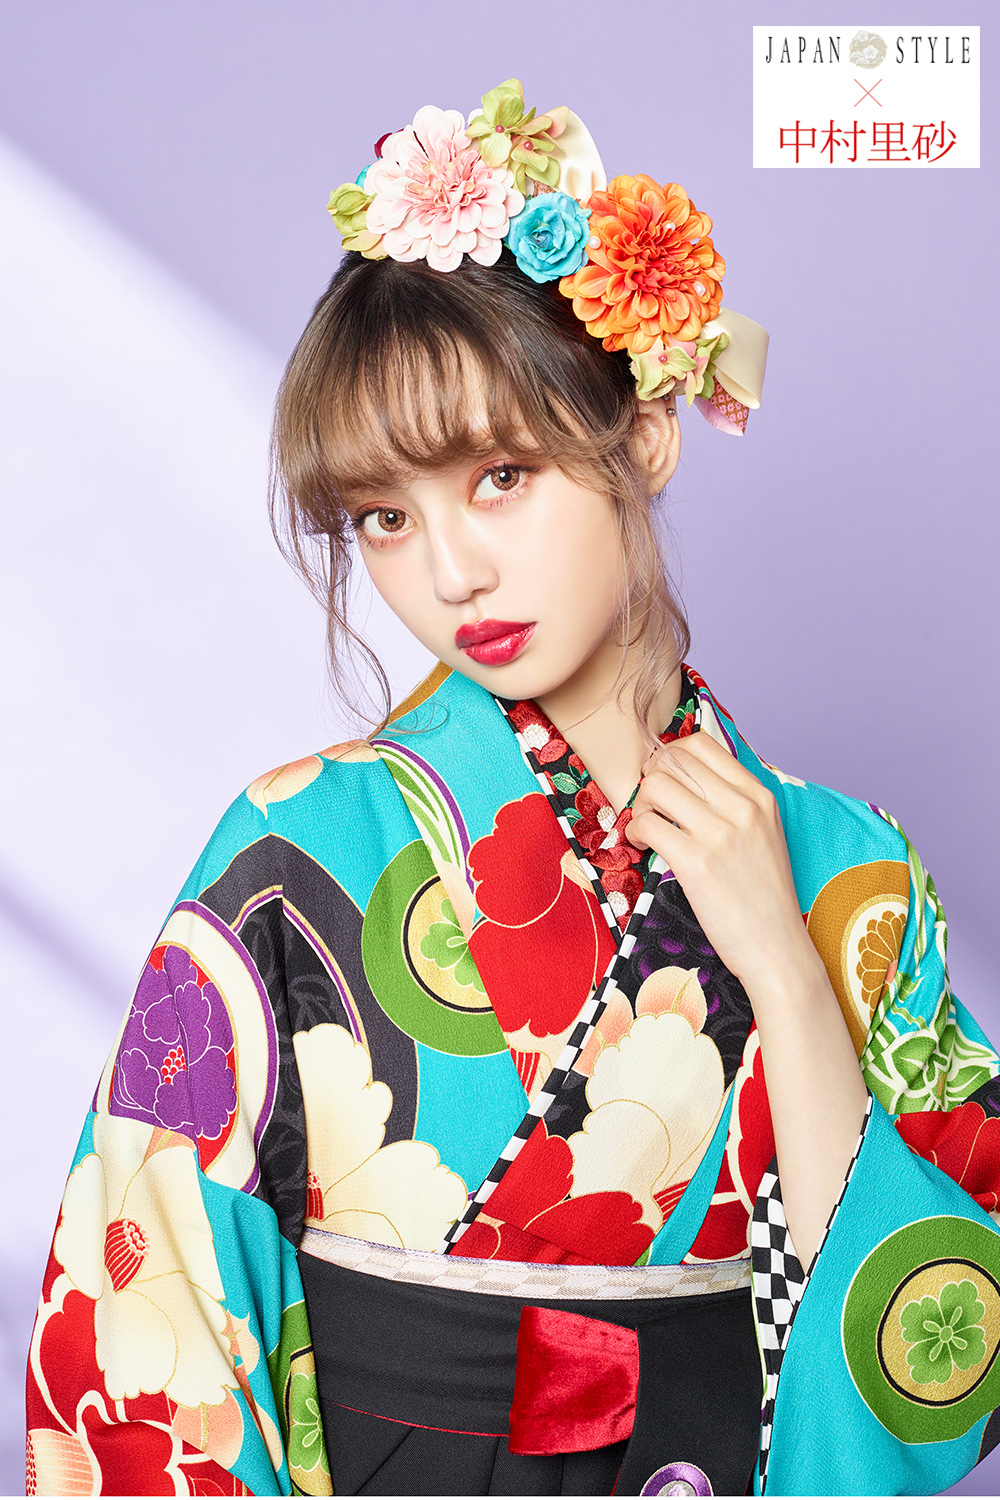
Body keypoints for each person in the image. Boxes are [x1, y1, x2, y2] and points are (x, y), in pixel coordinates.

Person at [25, 78, 1000, 1498]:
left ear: (643, 438)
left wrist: (790, 977)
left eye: (500, 476)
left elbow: (947, 1320)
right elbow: (148, 1296)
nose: (451, 572)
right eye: (385, 516)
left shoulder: (852, 867)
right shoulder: (297, 851)